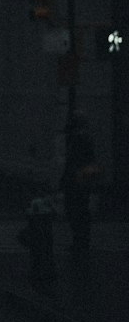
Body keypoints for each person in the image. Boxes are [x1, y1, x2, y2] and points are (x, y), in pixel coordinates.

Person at [61, 110, 97, 256]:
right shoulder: (84, 139)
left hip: (76, 182)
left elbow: (72, 163)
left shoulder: (78, 140)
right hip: (81, 182)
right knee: (80, 211)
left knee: (76, 211)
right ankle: (81, 241)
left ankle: (80, 241)